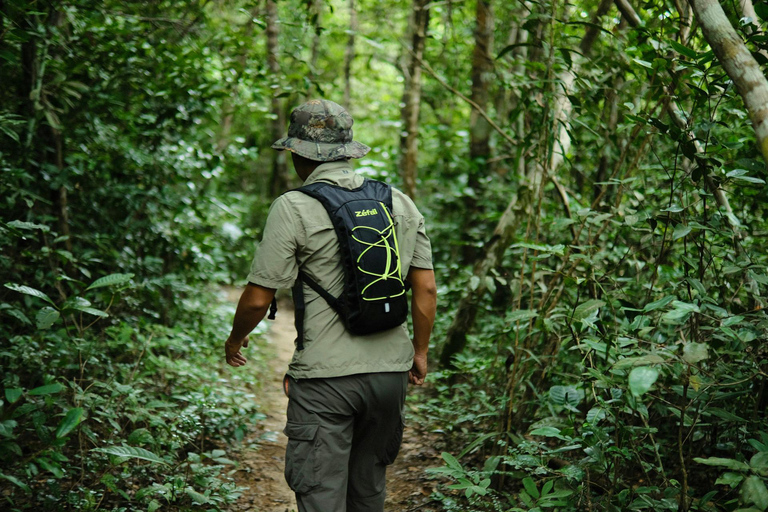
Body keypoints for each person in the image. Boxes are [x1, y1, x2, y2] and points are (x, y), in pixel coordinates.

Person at [223, 98, 437, 512]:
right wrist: (420, 352)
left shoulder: (293, 206)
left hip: (326, 383)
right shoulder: (399, 202)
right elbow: (425, 290)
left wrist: (236, 341)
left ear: (297, 152)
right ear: (348, 150)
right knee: (369, 488)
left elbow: (257, 299)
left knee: (321, 495)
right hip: (390, 375)